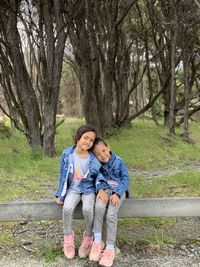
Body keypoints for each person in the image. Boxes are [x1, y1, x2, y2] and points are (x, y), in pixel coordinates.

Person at [55, 124, 101, 260]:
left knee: (88, 209)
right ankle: (68, 239)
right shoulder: (67, 153)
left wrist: (100, 192)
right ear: (78, 137)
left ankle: (88, 238)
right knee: (67, 208)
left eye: (91, 140)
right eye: (85, 138)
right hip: (73, 189)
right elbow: (63, 175)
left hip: (88, 190)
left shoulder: (93, 158)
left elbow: (98, 177)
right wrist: (60, 194)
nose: (88, 142)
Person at [89, 137, 130, 267]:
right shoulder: (96, 164)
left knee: (111, 214)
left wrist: (117, 193)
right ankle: (97, 241)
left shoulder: (119, 161)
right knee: (99, 207)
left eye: (104, 150)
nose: (102, 155)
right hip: (104, 190)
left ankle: (110, 248)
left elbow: (125, 179)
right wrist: (100, 189)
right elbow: (96, 178)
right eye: (98, 154)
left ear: (108, 147)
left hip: (118, 191)